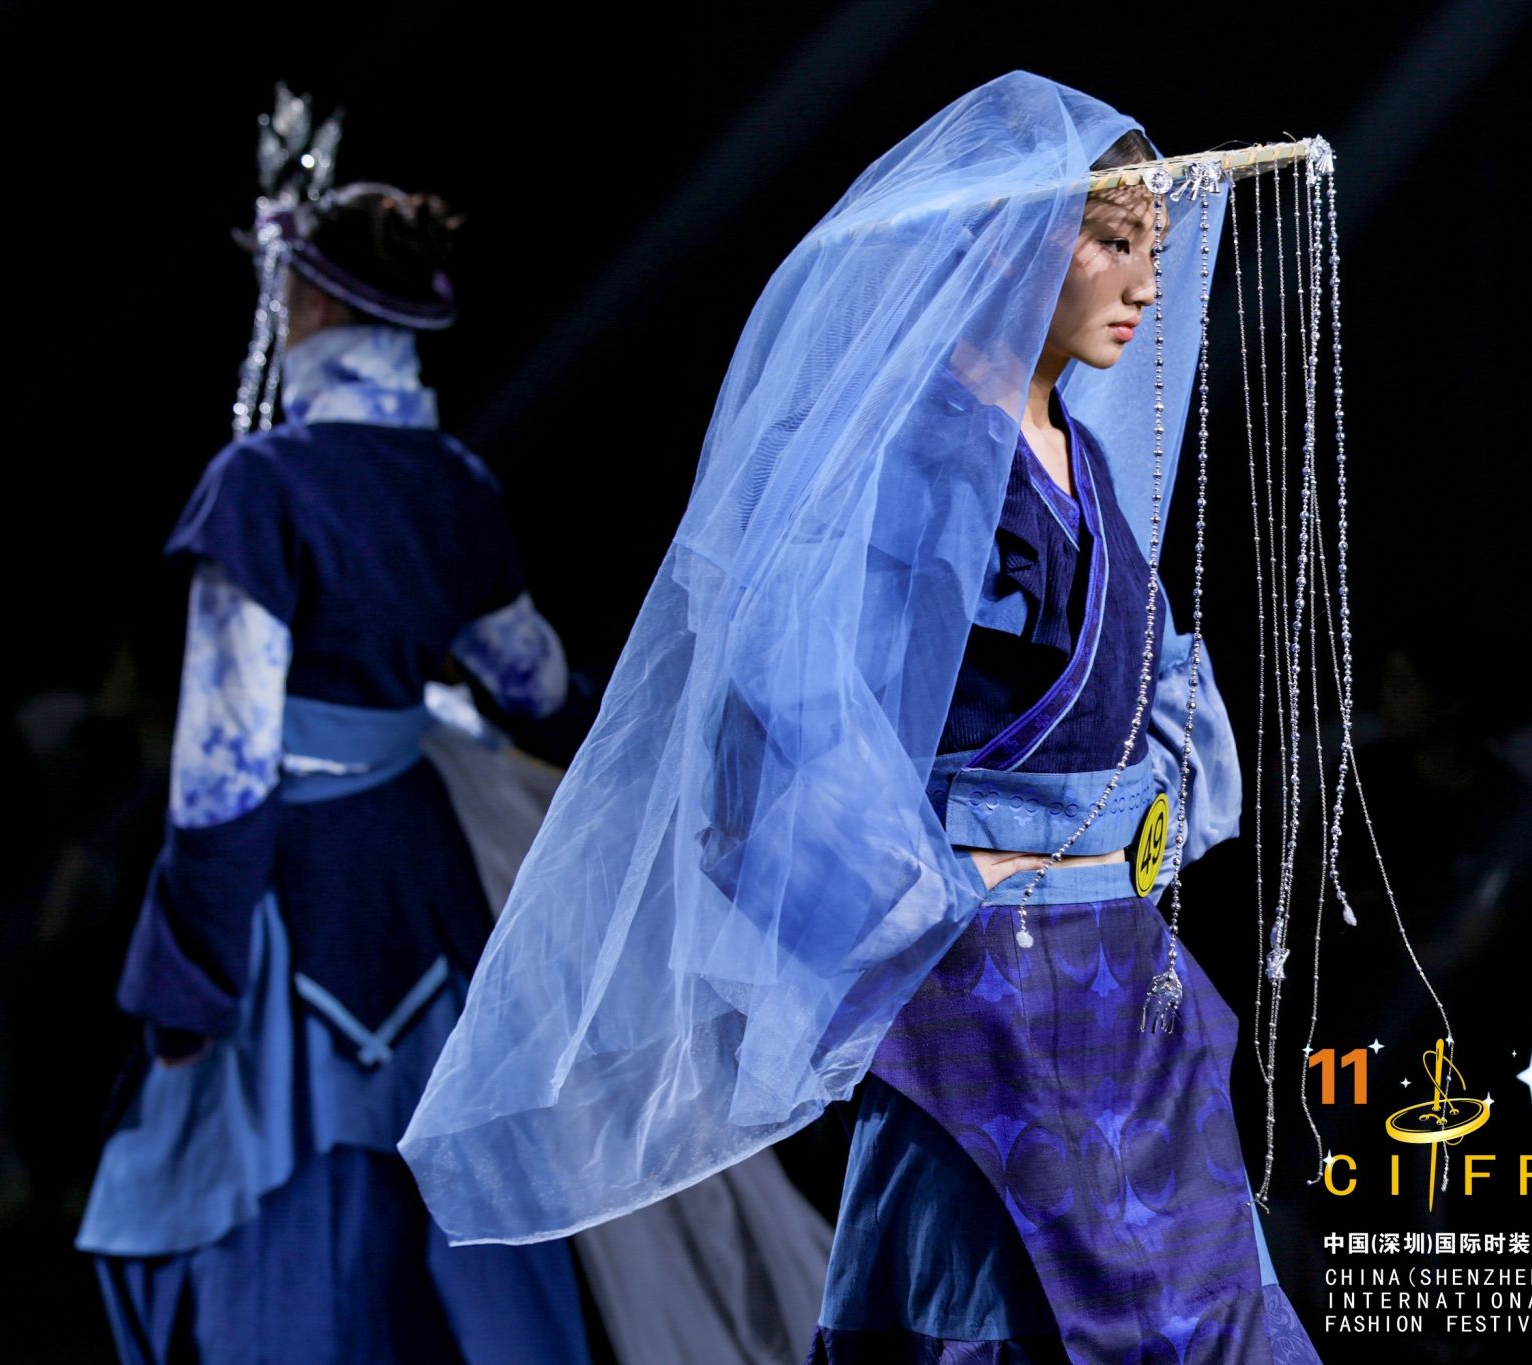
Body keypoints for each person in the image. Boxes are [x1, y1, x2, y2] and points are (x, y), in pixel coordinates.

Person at [402, 72, 1319, 1361]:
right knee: (1004, 1302)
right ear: (1011, 244)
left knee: (1184, 1308)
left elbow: (1147, 676)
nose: (1143, 286)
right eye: (1112, 243)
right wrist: (933, 891)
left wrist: (1128, 828)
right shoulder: (914, 458)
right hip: (979, 982)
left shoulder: (1085, 455)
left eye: (1151, 249)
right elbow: (785, 708)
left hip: (1111, 968)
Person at [75, 175, 592, 1364]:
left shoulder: (262, 483)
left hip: (289, 893)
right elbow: (534, 684)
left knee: (285, 1231)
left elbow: (221, 768)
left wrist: (188, 977)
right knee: (448, 1239)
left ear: (306, 299)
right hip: (423, 883)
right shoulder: (454, 483)